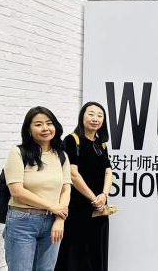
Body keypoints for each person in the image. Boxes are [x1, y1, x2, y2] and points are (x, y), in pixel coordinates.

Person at [2, 106, 71, 271]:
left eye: (49, 123)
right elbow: (17, 191)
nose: (45, 128)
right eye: (38, 124)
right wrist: (52, 206)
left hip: (53, 221)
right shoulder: (18, 152)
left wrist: (60, 219)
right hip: (22, 221)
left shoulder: (62, 155)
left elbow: (66, 189)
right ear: (29, 129)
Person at [55, 102, 112, 271]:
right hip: (78, 207)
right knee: (76, 252)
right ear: (82, 116)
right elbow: (73, 174)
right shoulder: (72, 140)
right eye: (91, 114)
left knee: (96, 251)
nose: (95, 119)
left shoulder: (101, 144)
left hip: (99, 208)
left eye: (100, 115)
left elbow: (108, 172)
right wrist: (94, 198)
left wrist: (104, 195)